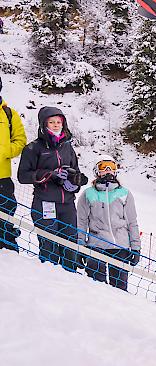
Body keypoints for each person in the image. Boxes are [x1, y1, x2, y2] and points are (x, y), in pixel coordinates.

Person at [18, 106, 87, 271]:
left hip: (67, 205)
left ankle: (71, 284)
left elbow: (75, 171)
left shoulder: (67, 147)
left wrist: (76, 182)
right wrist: (49, 175)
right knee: (50, 246)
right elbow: (23, 176)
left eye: (59, 122)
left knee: (70, 246)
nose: (56, 125)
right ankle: (49, 283)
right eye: (52, 122)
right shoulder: (33, 148)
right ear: (44, 124)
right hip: (45, 203)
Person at [76, 155, 141, 291]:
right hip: (96, 245)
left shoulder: (124, 194)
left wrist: (135, 248)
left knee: (119, 290)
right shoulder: (88, 194)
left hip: (120, 247)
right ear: (97, 171)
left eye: (111, 167)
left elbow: (132, 223)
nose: (108, 170)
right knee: (96, 288)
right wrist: (80, 246)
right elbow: (81, 222)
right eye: (103, 167)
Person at [0, 76, 26, 252]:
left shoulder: (8, 113)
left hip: (2, 177)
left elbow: (20, 140)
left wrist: (4, 151)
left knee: (7, 214)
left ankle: (8, 248)